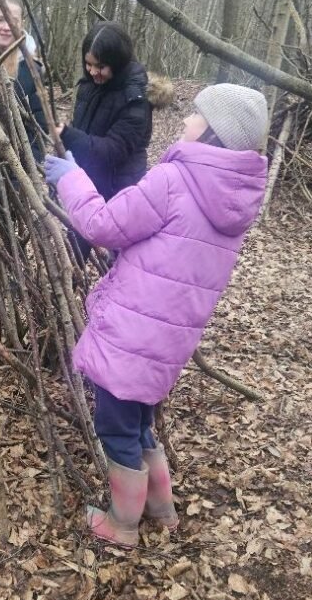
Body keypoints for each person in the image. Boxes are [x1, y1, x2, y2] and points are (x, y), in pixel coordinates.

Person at [44, 83, 269, 549]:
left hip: (132, 331)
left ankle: (122, 524)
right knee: (141, 422)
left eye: (194, 114)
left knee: (116, 427)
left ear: (211, 132)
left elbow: (103, 225)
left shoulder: (173, 181)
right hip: (168, 342)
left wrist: (71, 176)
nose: (185, 120)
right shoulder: (235, 200)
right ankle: (161, 509)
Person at [56, 20, 171, 260]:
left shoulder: (136, 102)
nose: (93, 71)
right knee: (72, 256)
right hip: (87, 186)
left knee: (120, 266)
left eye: (101, 66)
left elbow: (112, 151)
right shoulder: (89, 86)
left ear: (117, 63)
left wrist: (68, 135)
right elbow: (83, 129)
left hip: (120, 196)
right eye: (88, 64)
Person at [0, 0, 47, 162]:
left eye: (12, 21)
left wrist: (29, 160)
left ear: (21, 25)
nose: (6, 27)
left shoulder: (31, 68)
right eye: (0, 19)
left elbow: (40, 120)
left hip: (18, 161)